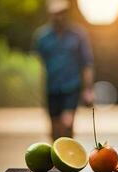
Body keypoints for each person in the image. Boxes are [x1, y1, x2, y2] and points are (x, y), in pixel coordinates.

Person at [34, 0, 94, 140]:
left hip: (71, 87)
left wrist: (88, 89)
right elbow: (40, 64)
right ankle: (57, 157)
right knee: (54, 127)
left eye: (62, 13)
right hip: (52, 88)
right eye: (56, 13)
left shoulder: (79, 35)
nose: (59, 17)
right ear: (50, 14)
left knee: (67, 124)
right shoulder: (42, 37)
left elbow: (87, 64)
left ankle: (69, 157)